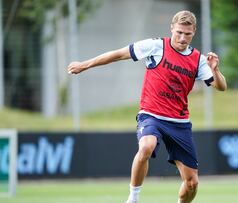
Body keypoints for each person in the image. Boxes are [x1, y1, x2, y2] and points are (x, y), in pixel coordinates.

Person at [67, 10, 227, 203]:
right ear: (171, 29)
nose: (182, 38)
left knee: (192, 183)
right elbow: (118, 54)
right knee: (146, 146)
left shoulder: (199, 60)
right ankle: (133, 198)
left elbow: (221, 87)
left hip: (179, 122)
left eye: (187, 34)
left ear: (194, 32)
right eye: (179, 32)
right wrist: (85, 65)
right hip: (151, 114)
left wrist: (215, 70)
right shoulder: (155, 45)